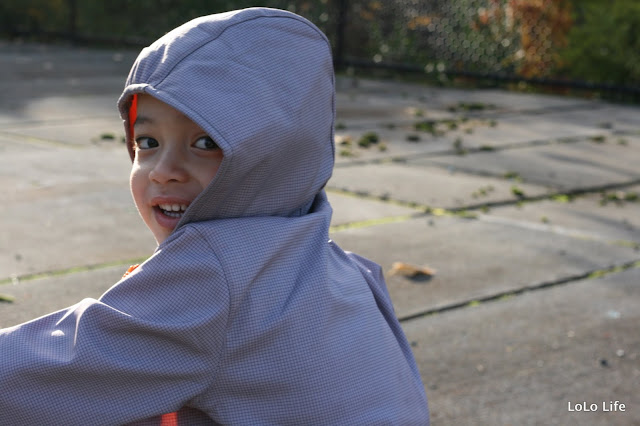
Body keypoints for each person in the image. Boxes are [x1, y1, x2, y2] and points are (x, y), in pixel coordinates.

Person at [0, 7, 429, 425]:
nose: (164, 171)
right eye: (147, 142)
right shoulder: (339, 266)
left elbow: (37, 376)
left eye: (205, 143)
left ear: (274, 156)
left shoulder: (214, 281)